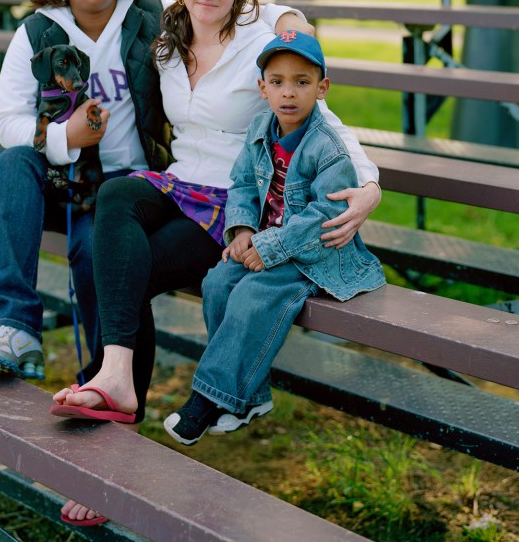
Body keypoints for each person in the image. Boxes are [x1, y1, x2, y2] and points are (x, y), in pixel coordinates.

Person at [51, 0, 381, 525]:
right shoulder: (165, 39)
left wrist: (370, 186)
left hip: (236, 205)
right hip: (180, 182)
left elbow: (324, 116)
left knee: (116, 277)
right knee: (118, 197)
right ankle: (118, 377)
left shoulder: (264, 41)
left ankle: (112, 450)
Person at [0, 0, 314, 388]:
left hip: (125, 181)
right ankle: (14, 326)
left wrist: (290, 19)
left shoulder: (150, 13)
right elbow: (6, 122)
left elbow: (229, 1)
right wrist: (65, 135)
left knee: (97, 255)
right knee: (11, 163)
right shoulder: (36, 32)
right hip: (59, 180)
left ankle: (107, 383)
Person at [163, 30, 386, 446]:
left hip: (314, 256)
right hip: (268, 243)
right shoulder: (261, 127)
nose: (289, 93)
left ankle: (209, 398)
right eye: (278, 82)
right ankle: (249, 398)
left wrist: (269, 248)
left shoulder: (328, 148)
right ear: (262, 88)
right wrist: (245, 230)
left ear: (322, 89)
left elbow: (326, 216)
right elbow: (244, 182)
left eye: (302, 82)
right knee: (218, 283)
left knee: (253, 295)